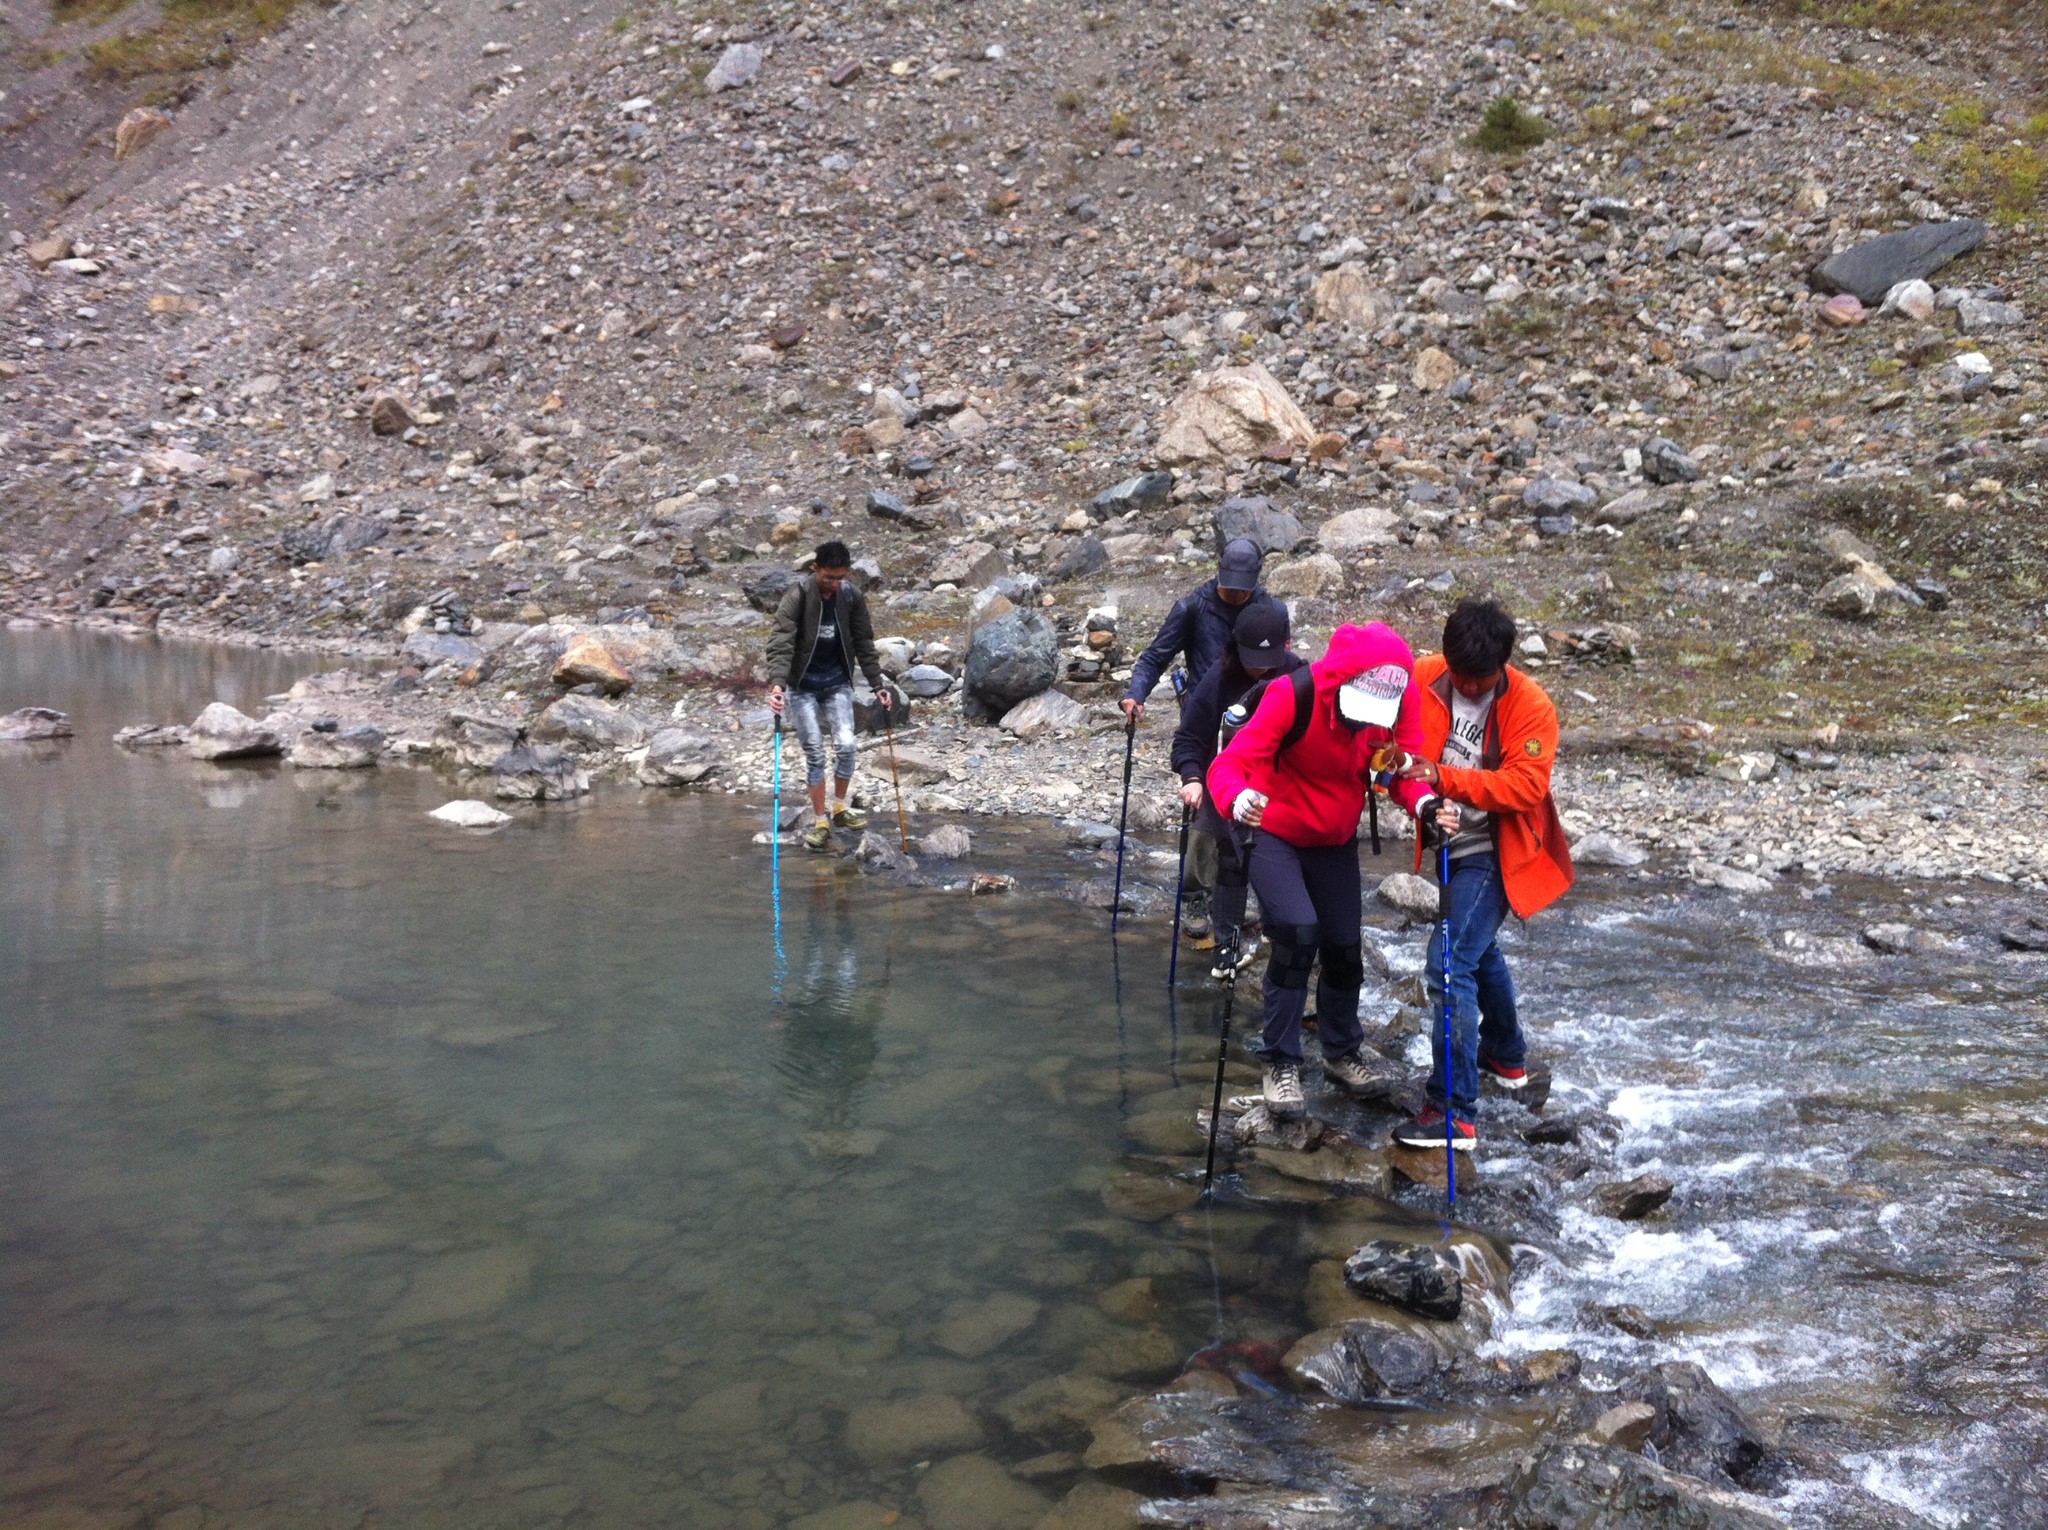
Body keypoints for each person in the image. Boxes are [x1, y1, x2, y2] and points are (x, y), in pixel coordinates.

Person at [1206, 622, 1441, 1120]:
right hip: (1272, 827)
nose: (1366, 724)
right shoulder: (1291, 697)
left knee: (1343, 945)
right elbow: (1228, 767)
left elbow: (1404, 769)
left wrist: (1423, 807)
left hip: (1334, 837)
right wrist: (1237, 799)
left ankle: (1341, 1050)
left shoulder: (1401, 700)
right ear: (1341, 683)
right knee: (1295, 932)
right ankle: (1280, 1061)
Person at [1388, 598, 1574, 1152]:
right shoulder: (1424, 677)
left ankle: (1454, 1110)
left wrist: (1443, 778)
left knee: (1447, 964)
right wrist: (1417, 795)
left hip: (1499, 850)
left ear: (1503, 667)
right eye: (1460, 678)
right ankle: (1505, 1055)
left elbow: (1524, 787)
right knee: (1475, 947)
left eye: (1481, 681)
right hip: (1449, 840)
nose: (1468, 689)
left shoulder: (1531, 706)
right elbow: (1399, 754)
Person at [1123, 537, 1279, 939]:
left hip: (1260, 719)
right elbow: (1156, 656)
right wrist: (1135, 694)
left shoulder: (1269, 610)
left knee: (1260, 803)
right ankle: (1195, 894)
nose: (1238, 593)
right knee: (1206, 802)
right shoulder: (1193, 607)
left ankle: (1257, 897)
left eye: (1244, 586)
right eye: (1231, 585)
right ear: (1218, 571)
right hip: (1205, 716)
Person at [1171, 601, 1304, 981]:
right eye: (1252, 659)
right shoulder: (1219, 677)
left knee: (1273, 860)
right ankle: (1226, 948)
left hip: (1279, 787)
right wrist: (1192, 778)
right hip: (1226, 780)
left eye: (1269, 659)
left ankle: (1278, 936)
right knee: (1229, 859)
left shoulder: (1299, 675)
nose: (1260, 668)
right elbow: (1188, 738)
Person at [766, 541, 901, 851]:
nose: (834, 584)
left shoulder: (851, 596)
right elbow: (781, 642)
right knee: (814, 750)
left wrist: (877, 683)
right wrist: (777, 685)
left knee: (847, 745)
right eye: (829, 577)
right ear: (816, 569)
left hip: (837, 682)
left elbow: (864, 642)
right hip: (803, 687)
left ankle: (839, 808)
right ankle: (820, 822)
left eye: (840, 578)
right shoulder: (797, 596)